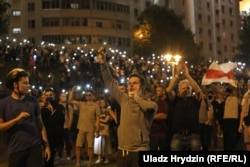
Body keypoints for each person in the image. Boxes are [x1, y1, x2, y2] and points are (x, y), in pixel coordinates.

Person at [97, 47, 157, 167]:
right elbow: (110, 82)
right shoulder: (124, 99)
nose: (130, 85)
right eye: (129, 83)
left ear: (142, 87)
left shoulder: (150, 104)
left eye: (134, 83)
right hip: (122, 150)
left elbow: (148, 108)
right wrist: (103, 63)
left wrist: (137, 98)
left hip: (139, 151)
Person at [0, 68, 51, 167]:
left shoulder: (33, 101)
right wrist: (16, 119)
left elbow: (40, 125)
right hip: (16, 150)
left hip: (34, 147)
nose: (29, 86)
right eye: (25, 83)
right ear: (15, 85)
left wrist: (46, 145)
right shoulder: (3, 104)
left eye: (28, 83)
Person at [165, 62, 202, 151]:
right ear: (179, 90)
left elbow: (198, 91)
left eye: (188, 88)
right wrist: (177, 75)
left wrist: (187, 75)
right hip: (178, 135)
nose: (185, 90)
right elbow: (168, 90)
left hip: (193, 135)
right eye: (183, 88)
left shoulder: (194, 100)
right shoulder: (175, 99)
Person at [69, 88, 100, 167]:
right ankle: (78, 163)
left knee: (90, 146)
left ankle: (90, 162)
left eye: (89, 95)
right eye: (86, 95)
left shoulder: (96, 106)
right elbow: (70, 100)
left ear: (93, 96)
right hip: (81, 128)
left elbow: (97, 119)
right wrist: (72, 91)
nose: (88, 96)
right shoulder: (82, 104)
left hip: (90, 129)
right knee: (78, 145)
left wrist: (97, 129)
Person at [40, 88, 65, 167]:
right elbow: (41, 120)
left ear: (54, 95)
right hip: (44, 136)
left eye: (50, 95)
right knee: (44, 159)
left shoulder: (59, 107)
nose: (48, 97)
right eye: (46, 95)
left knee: (50, 159)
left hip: (55, 137)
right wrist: (46, 108)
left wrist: (52, 111)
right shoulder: (42, 108)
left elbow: (60, 120)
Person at [149, 85, 168, 150]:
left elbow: (164, 115)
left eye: (159, 90)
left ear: (163, 92)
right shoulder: (154, 102)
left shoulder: (162, 102)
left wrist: (149, 117)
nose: (157, 92)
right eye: (157, 91)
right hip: (152, 133)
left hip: (160, 132)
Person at [94, 98, 112, 164]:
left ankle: (106, 158)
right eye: (101, 102)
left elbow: (106, 120)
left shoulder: (107, 111)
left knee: (105, 143)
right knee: (98, 143)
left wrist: (98, 120)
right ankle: (99, 158)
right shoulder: (97, 111)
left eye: (103, 102)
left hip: (105, 128)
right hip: (98, 128)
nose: (102, 104)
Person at [58, 92, 73, 160]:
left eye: (65, 96)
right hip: (59, 126)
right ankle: (60, 154)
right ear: (59, 97)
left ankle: (68, 154)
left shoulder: (68, 106)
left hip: (66, 126)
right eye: (62, 96)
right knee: (59, 141)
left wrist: (69, 125)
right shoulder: (57, 105)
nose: (64, 97)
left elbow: (71, 116)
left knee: (67, 141)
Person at [239, 80, 250, 150]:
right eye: (248, 85)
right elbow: (242, 111)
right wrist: (240, 124)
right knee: (247, 142)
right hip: (247, 121)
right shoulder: (245, 96)